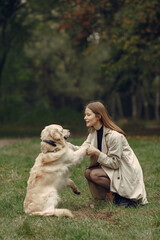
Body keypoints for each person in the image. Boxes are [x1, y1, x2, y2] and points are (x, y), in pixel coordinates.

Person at [82, 101, 148, 207]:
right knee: (88, 172)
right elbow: (82, 149)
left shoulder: (114, 136)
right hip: (113, 169)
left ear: (98, 116)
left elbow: (115, 163)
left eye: (88, 115)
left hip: (125, 171)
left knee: (94, 174)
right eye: (85, 115)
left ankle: (123, 197)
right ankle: (109, 197)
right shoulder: (93, 133)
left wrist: (97, 153)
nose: (85, 117)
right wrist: (63, 145)